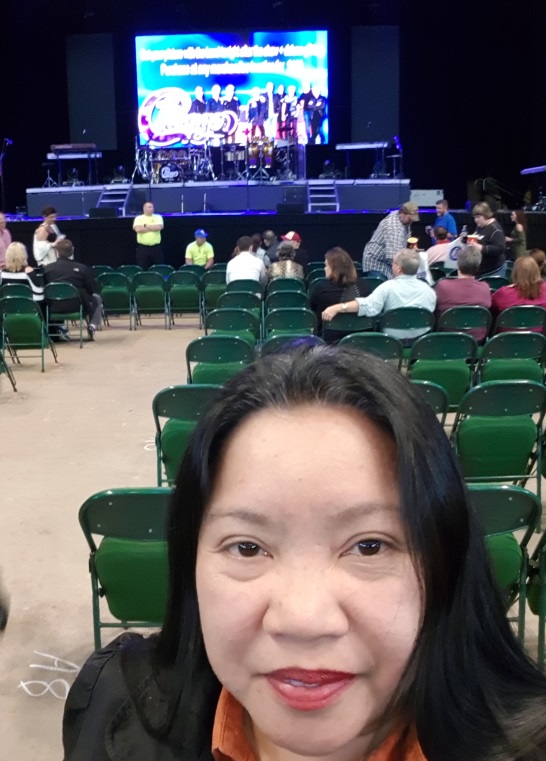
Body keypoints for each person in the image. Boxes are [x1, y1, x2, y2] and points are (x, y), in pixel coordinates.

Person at [62, 346, 546, 761]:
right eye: (247, 547)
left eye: (369, 546)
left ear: (446, 561)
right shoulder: (113, 704)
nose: (304, 619)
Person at [323, 248, 436, 340]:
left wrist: (337, 308)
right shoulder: (429, 291)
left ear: (398, 268)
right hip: (422, 343)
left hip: (391, 341)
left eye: (393, 263)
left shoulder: (386, 288)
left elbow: (367, 306)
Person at [44, 238, 102, 340]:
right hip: (78, 306)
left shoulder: (47, 269)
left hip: (54, 307)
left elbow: (44, 289)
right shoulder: (82, 268)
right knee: (97, 298)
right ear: (72, 251)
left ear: (56, 252)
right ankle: (92, 325)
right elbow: (91, 289)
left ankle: (57, 329)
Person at [434, 245, 492, 341]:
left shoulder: (443, 285)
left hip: (446, 338)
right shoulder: (485, 288)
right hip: (476, 340)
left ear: (458, 265)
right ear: (477, 267)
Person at [309, 247, 366, 342]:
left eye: (326, 265)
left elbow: (312, 308)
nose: (324, 268)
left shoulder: (321, 289)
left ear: (334, 268)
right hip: (360, 341)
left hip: (329, 343)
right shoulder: (365, 286)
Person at [362, 203, 419, 279]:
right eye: (410, 218)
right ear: (402, 213)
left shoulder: (402, 219)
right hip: (377, 263)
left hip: (387, 262)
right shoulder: (392, 227)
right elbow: (393, 256)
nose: (412, 221)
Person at [491, 256, 546, 326]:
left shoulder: (504, 293)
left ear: (515, 273)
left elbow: (491, 307)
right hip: (539, 331)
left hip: (507, 332)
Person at [471, 202, 507, 277]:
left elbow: (501, 248)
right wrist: (465, 239)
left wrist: (482, 248)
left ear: (485, 215)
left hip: (493, 271)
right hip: (481, 270)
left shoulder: (495, 229)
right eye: (474, 217)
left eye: (478, 217)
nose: (475, 220)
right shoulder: (480, 227)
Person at [133, 201, 164, 270]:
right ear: (144, 208)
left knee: (159, 268)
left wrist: (145, 225)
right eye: (149, 207)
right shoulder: (138, 218)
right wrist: (153, 228)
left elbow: (159, 227)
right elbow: (138, 229)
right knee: (142, 268)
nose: (152, 209)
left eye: (152, 207)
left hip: (156, 248)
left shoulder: (158, 217)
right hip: (143, 248)